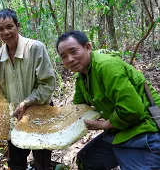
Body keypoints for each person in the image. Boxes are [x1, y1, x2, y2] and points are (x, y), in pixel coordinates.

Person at [56, 30, 160, 170]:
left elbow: (133, 110)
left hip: (143, 132)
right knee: (86, 161)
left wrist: (105, 124)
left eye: (73, 51)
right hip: (117, 133)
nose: (69, 59)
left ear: (88, 47)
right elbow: (78, 108)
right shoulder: (82, 77)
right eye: (64, 56)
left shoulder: (106, 67)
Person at [0, 8, 56, 170]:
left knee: (42, 161)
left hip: (41, 113)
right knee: (16, 162)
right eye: (0, 29)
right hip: (15, 118)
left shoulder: (35, 48)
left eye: (9, 26)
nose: (5, 32)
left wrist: (27, 103)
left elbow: (47, 84)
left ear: (18, 26)